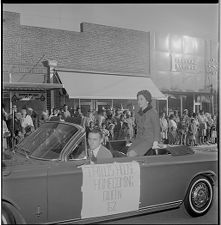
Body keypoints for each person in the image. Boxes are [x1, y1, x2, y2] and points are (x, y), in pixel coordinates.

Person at [127, 90, 161, 157]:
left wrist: (156, 141)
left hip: (149, 140)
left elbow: (157, 127)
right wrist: (133, 140)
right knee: (128, 153)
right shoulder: (138, 113)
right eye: (138, 99)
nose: (139, 101)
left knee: (131, 154)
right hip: (139, 139)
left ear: (147, 100)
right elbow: (139, 129)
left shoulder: (153, 112)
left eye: (141, 99)